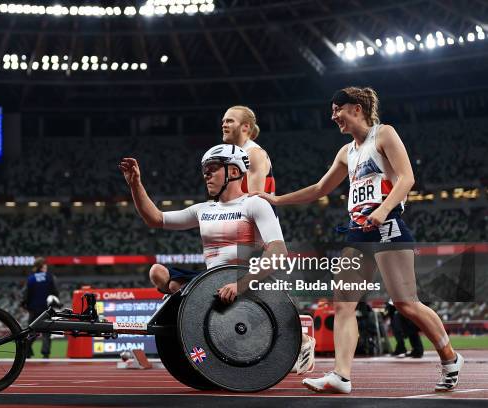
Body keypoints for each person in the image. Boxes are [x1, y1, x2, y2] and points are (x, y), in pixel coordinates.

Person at [253, 87, 463, 393]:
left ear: (356, 109)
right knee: (343, 303)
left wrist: (383, 209)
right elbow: (319, 189)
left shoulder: (384, 135)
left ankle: (450, 357)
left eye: (337, 109)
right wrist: (276, 199)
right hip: (358, 232)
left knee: (406, 303)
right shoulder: (346, 152)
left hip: (388, 227)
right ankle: (341, 375)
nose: (333, 116)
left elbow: (407, 178)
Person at [119, 144, 315, 374]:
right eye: (204, 171)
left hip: (249, 281)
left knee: (183, 287)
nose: (206, 175)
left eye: (212, 168)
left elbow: (278, 252)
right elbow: (156, 219)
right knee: (159, 273)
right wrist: (135, 185)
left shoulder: (255, 204)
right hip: (213, 282)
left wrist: (240, 285)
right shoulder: (203, 209)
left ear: (233, 171)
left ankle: (299, 340)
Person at [150, 106, 275, 296]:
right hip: (236, 240)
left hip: (252, 243)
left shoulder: (253, 154)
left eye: (230, 120)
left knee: (182, 286)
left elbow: (254, 199)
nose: (224, 124)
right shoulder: (234, 156)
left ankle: (196, 298)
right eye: (223, 120)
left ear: (246, 127)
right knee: (168, 279)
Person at [21, 257, 60, 359]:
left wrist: (25, 304)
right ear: (42, 266)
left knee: (32, 331)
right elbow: (55, 292)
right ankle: (45, 353)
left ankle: (27, 351)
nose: (46, 266)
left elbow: (25, 294)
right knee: (46, 333)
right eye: (45, 265)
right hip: (47, 310)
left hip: (33, 310)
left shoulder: (31, 278)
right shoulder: (50, 277)